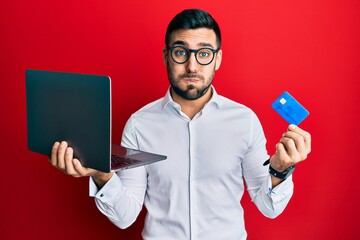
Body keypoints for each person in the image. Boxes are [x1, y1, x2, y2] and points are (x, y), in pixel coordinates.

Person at [50, 9, 311, 239]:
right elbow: (125, 216)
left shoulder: (245, 121)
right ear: (166, 56)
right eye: (180, 52)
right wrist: (102, 175)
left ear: (218, 59)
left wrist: (280, 170)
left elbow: (269, 207)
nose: (192, 65)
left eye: (204, 53)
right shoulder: (140, 125)